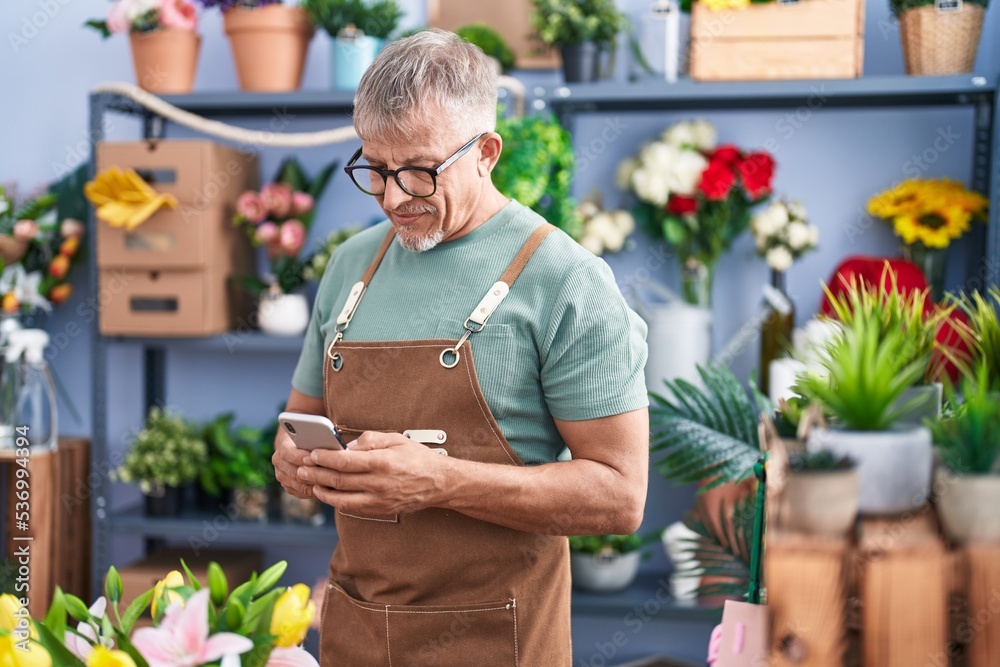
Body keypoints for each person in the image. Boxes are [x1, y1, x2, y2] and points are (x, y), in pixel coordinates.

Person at [272, 28, 649, 666]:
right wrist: (296, 464)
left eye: (420, 172)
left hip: (497, 643)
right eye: (376, 169)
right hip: (356, 634)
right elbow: (298, 422)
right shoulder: (351, 266)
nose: (393, 197)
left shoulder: (566, 281)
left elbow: (618, 495)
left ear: (486, 152)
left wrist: (440, 483)